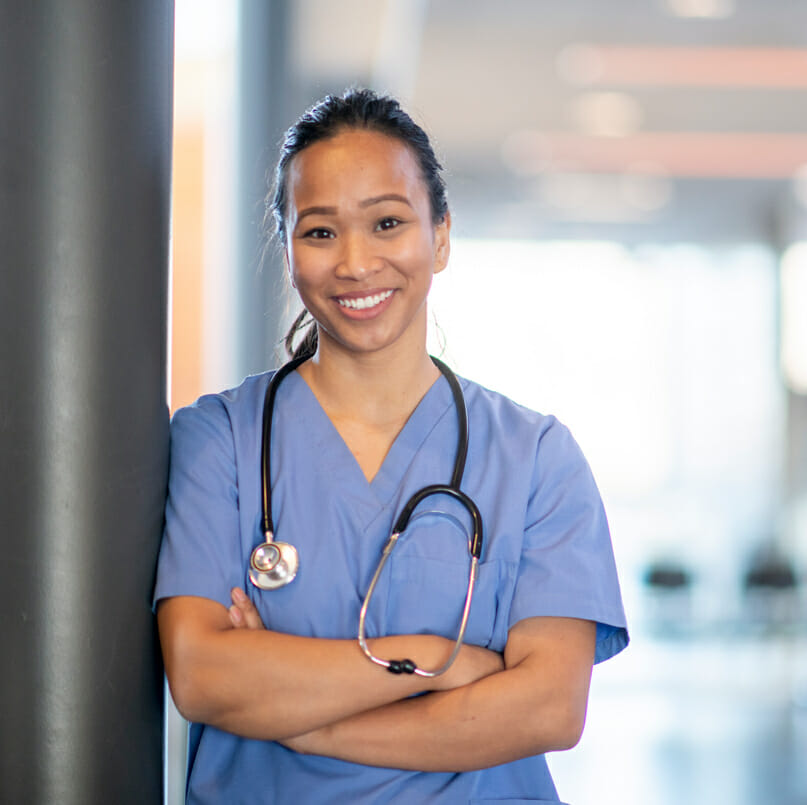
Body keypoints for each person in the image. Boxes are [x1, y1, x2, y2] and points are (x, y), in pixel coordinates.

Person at [155, 88, 628, 804]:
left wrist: (308, 725)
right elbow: (200, 674)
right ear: (287, 252)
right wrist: (429, 658)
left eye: (387, 222)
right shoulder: (218, 439)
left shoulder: (536, 459)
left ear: (439, 237)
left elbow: (548, 708)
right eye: (319, 232)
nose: (355, 262)